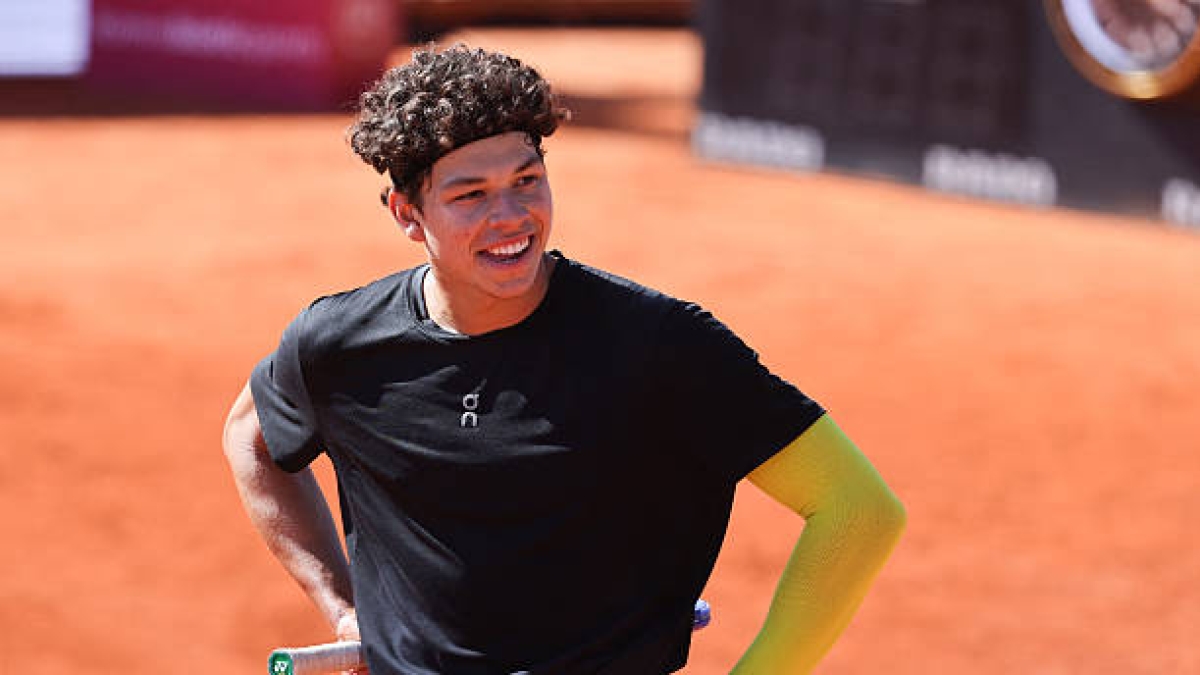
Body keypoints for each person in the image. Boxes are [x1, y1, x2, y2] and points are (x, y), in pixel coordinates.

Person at [222, 44, 906, 675]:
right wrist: (342, 605)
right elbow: (249, 435)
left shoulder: (659, 345)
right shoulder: (338, 345)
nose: (511, 216)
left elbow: (856, 510)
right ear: (407, 213)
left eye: (527, 180)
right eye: (470, 195)